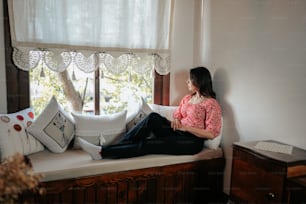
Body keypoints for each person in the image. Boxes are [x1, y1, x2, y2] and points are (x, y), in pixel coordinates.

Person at [78, 66, 222, 160]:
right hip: (176, 131)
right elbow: (178, 114)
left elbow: (211, 133)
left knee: (149, 144)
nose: (187, 82)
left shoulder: (211, 104)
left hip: (191, 142)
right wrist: (177, 121)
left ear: (199, 81)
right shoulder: (188, 98)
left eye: (190, 79)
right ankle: (119, 146)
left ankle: (103, 152)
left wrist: (186, 128)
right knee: (153, 117)